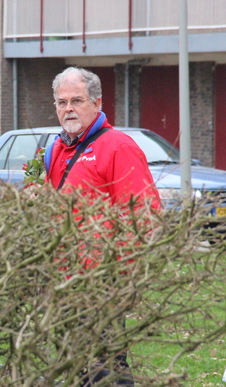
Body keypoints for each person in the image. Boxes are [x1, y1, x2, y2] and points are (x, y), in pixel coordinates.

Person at [43, 67, 160, 386]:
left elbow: (143, 215)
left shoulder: (118, 146)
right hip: (64, 281)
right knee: (75, 364)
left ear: (96, 103)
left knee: (106, 367)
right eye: (61, 102)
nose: (68, 109)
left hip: (100, 282)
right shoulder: (56, 149)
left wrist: (117, 277)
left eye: (77, 100)